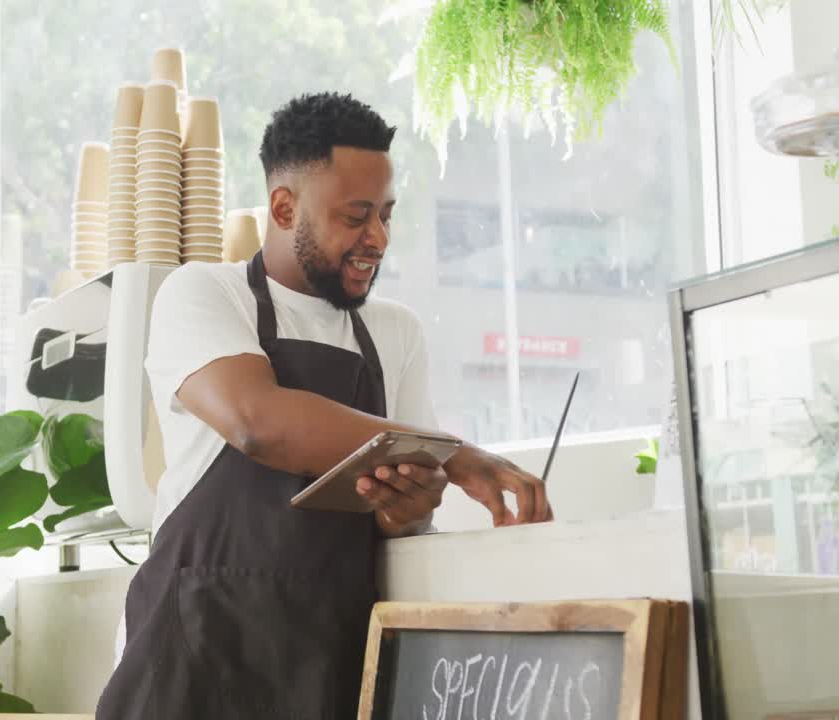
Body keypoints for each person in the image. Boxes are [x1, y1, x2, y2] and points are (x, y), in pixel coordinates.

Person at [96, 92, 552, 719]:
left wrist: (409, 507)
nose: (378, 238)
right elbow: (257, 421)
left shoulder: (397, 333)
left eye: (387, 215)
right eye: (356, 216)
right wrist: (460, 457)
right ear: (284, 207)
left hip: (327, 667)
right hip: (188, 666)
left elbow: (407, 516)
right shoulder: (203, 294)